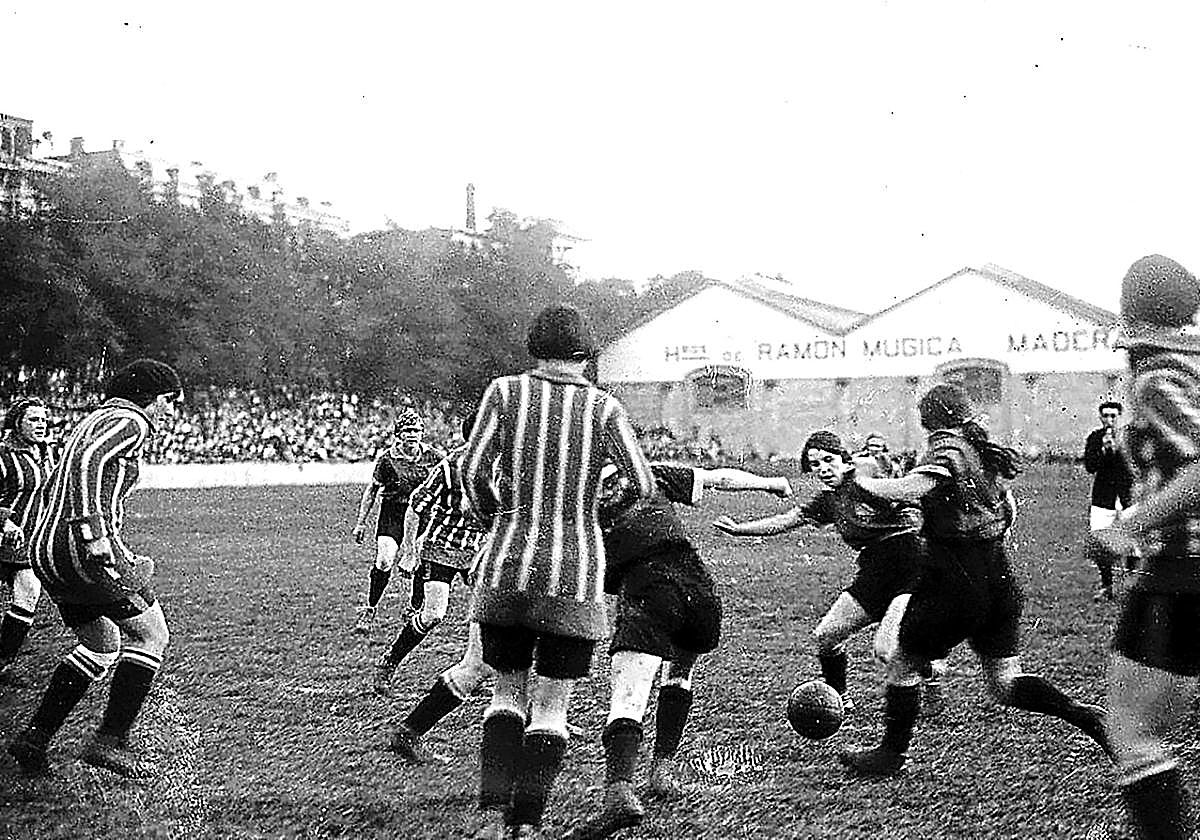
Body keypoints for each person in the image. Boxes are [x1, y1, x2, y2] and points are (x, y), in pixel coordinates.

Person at [839, 382, 1108, 777]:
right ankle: (1083, 715)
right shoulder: (981, 448)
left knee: (902, 663)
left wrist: (861, 482)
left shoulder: (946, 447)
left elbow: (914, 489)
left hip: (954, 580)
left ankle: (889, 755)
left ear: (928, 417)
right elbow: (1009, 507)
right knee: (1003, 682)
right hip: (997, 575)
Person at [462, 304, 655, 840]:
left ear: (534, 348)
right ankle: (526, 824)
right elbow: (639, 484)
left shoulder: (503, 392)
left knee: (505, 695)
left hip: (507, 565)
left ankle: (489, 821)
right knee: (550, 708)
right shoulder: (604, 408)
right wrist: (599, 506)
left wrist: (496, 513)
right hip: (577, 571)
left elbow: (472, 472)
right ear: (585, 354)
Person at [563, 461, 792, 840]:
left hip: (646, 589)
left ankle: (619, 791)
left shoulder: (570, 496)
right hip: (696, 585)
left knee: (629, 697)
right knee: (680, 673)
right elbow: (719, 477)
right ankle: (661, 771)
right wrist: (771, 484)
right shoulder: (644, 470)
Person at [6, 359, 183, 778]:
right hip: (82, 549)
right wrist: (94, 534)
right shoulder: (132, 420)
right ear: (152, 398)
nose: (173, 411)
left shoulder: (97, 417)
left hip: (49, 550)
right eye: (171, 401)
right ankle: (111, 740)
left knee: (101, 645)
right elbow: (88, 462)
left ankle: (33, 739)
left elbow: (59, 479)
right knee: (152, 634)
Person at [713, 430, 946, 718]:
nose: (823, 468)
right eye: (815, 464)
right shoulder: (829, 501)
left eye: (828, 460)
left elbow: (887, 474)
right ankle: (839, 700)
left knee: (887, 651)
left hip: (912, 566)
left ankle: (931, 670)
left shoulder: (866, 478)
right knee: (826, 636)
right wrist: (740, 529)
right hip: (875, 571)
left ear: (843, 459)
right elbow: (788, 520)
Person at [1088, 254, 1200, 839]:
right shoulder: (1189, 366)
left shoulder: (1159, 378)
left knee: (1134, 736)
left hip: (1184, 571)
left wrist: (1132, 524)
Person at [373, 413, 489, 697]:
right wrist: (410, 550)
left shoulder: (499, 466)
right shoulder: (450, 467)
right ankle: (390, 661)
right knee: (433, 614)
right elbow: (416, 505)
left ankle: (472, 672)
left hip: (477, 549)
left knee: (489, 614)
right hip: (442, 547)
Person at [351, 408, 443, 635]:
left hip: (423, 513)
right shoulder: (387, 459)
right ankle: (370, 608)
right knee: (384, 560)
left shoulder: (433, 456)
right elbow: (372, 490)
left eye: (416, 430)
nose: (412, 434)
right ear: (398, 434)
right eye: (407, 430)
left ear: (422, 433)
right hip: (393, 512)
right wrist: (361, 523)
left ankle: (413, 608)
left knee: (421, 560)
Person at [0, 398, 55, 680]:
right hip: (2, 537)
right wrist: (5, 520)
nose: (41, 425)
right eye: (34, 420)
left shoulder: (46, 454)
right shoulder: (3, 454)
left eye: (44, 420)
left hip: (27, 542)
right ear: (17, 423)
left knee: (28, 595)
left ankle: (3, 661)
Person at [1083, 400, 1135, 601]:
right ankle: (1107, 586)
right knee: (1100, 542)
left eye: (1113, 416)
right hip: (1103, 498)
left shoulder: (1130, 437)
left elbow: (1135, 466)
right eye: (1105, 416)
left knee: (1133, 543)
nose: (1109, 420)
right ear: (1100, 417)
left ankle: (1132, 586)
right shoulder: (1095, 438)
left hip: (1128, 497)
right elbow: (1090, 466)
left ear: (1120, 417)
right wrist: (1104, 451)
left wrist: (1119, 449)